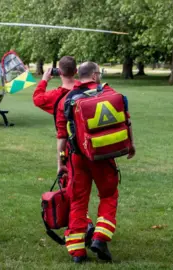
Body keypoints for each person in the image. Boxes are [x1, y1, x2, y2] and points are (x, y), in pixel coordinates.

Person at [55, 62, 135, 263]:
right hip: (103, 158)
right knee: (108, 195)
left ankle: (77, 252)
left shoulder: (67, 100)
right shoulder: (108, 92)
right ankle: (100, 238)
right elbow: (126, 121)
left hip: (77, 158)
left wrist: (60, 162)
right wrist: (130, 145)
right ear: (94, 75)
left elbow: (62, 136)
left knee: (78, 200)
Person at [33, 56, 95, 245]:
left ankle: (82, 224)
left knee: (72, 189)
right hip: (90, 146)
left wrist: (44, 79)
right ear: (76, 71)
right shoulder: (85, 91)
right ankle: (84, 223)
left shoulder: (56, 97)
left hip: (69, 148)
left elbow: (37, 98)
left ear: (59, 72)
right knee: (81, 188)